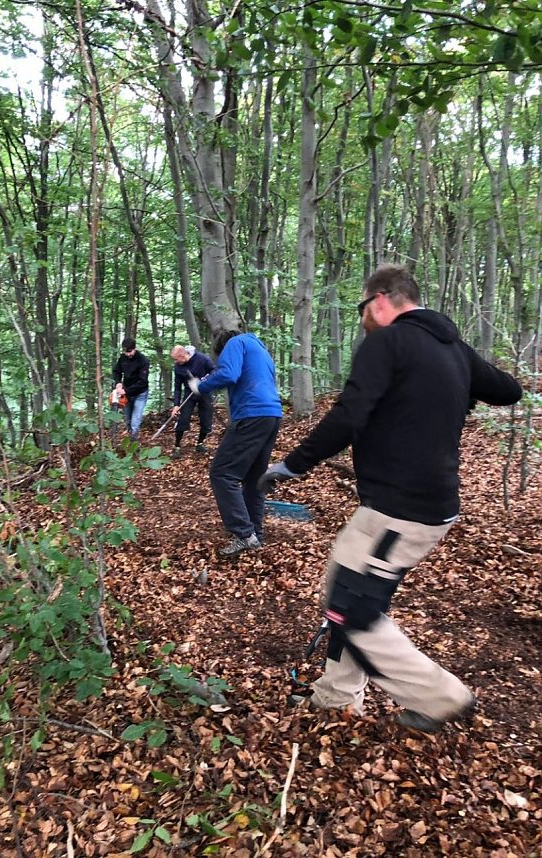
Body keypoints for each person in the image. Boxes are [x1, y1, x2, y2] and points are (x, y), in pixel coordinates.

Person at [258, 264, 522, 733]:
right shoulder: (452, 347)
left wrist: (292, 465)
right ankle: (336, 696)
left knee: (350, 607)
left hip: (400, 509)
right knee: (354, 590)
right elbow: (507, 390)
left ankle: (442, 698)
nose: (362, 317)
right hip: (423, 504)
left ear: (382, 299)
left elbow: (350, 414)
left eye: (363, 307)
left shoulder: (388, 341)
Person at [188, 330, 283, 558]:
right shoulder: (260, 349)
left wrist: (200, 386)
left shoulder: (235, 343)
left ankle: (244, 533)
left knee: (222, 473)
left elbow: (229, 374)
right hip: (272, 414)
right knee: (253, 479)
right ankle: (255, 536)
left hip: (252, 414)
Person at [170, 345, 215, 457]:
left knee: (206, 420)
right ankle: (177, 446)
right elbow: (177, 386)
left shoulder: (202, 359)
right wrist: (176, 405)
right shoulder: (178, 367)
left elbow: (214, 371)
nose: (175, 362)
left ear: (183, 355)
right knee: (183, 419)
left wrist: (205, 381)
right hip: (189, 394)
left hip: (205, 392)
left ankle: (200, 443)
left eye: (176, 359)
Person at [112, 337, 150, 441]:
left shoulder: (143, 360)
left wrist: (126, 390)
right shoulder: (122, 359)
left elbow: (143, 382)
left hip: (140, 394)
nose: (128, 354)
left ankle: (134, 441)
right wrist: (118, 382)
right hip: (126, 394)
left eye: (130, 351)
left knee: (135, 420)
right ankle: (130, 437)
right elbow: (116, 371)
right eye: (125, 352)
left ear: (135, 348)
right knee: (128, 419)